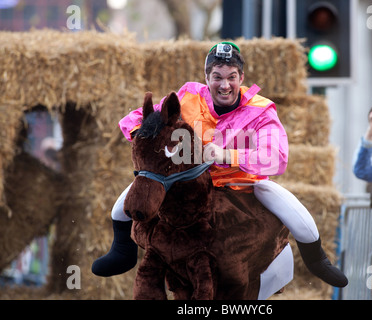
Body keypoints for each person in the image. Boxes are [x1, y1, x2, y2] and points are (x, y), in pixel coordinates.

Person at [91, 41, 348, 288]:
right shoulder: (187, 96)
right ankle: (122, 250)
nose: (225, 85)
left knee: (279, 198)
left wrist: (227, 156)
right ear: (207, 78)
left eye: (231, 77)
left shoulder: (261, 110)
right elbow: (134, 118)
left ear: (241, 77)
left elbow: (277, 159)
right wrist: (145, 137)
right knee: (130, 197)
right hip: (186, 181)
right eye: (217, 77)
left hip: (240, 183)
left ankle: (316, 259)